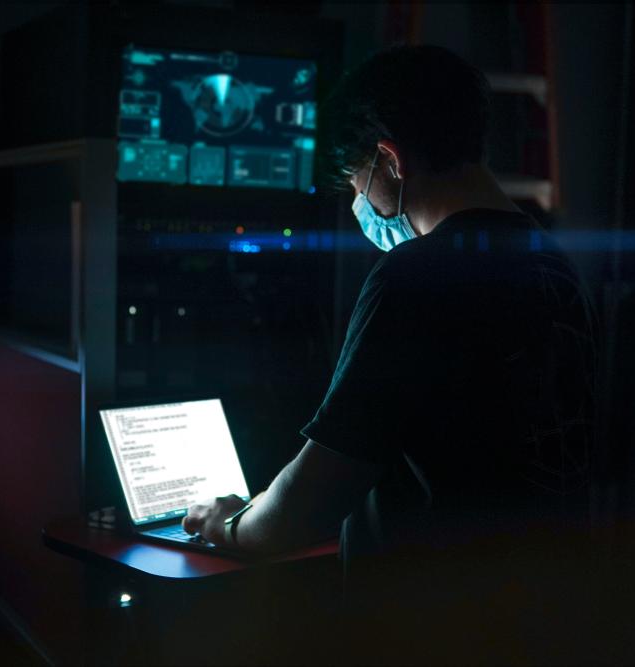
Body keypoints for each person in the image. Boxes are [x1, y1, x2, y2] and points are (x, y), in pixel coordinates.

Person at [183, 44, 600, 662]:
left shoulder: (414, 275)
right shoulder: (555, 264)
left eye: (358, 183)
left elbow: (313, 498)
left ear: (389, 161)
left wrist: (230, 523)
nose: (362, 206)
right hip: (539, 617)